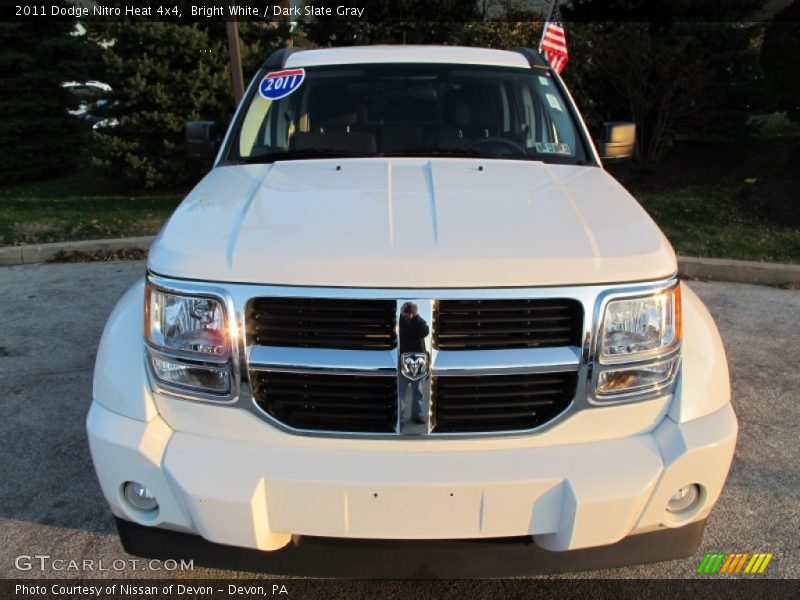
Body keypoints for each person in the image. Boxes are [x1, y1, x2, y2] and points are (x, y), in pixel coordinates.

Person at [399, 302, 429, 425]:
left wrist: (417, 317)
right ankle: (399, 417)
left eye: (410, 313)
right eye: (406, 313)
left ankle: (417, 415)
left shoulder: (419, 323)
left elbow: (425, 331)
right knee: (400, 391)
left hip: (418, 361)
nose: (408, 316)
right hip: (402, 361)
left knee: (418, 391)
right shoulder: (398, 323)